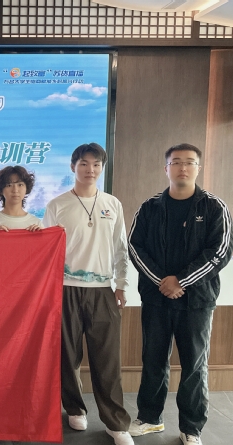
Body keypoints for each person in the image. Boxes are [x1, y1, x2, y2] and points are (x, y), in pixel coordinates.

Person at [128, 143, 232, 445]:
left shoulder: (214, 207)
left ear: (198, 168)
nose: (182, 168)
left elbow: (220, 252)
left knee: (194, 365)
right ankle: (150, 418)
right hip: (156, 298)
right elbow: (135, 247)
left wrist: (182, 281)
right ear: (166, 169)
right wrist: (163, 282)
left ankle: (191, 427)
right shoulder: (149, 207)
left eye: (189, 162)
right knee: (153, 360)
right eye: (176, 162)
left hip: (197, 302)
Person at [42, 143, 133, 445]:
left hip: (103, 290)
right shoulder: (57, 205)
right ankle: (74, 408)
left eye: (96, 165)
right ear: (73, 167)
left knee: (107, 360)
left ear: (101, 168)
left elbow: (120, 247)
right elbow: (45, 251)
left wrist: (122, 284)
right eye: (83, 163)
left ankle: (115, 423)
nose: (90, 170)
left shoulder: (112, 204)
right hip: (65, 289)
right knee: (67, 356)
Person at [0, 165, 43, 232]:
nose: (15, 190)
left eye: (20, 185)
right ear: (1, 190)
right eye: (9, 185)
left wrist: (39, 235)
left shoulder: (36, 224)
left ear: (26, 188)